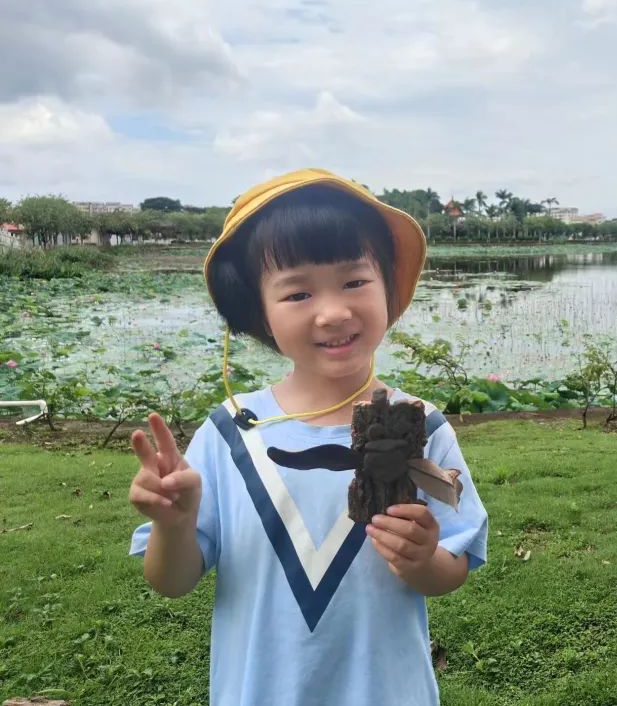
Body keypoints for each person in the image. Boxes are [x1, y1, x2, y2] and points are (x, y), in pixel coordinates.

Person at [128, 169, 488, 705]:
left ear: (388, 286)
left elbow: (451, 569)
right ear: (259, 313)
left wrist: (423, 558)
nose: (334, 312)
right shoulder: (230, 432)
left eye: (355, 281)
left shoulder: (422, 426)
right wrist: (174, 526)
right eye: (297, 292)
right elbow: (171, 581)